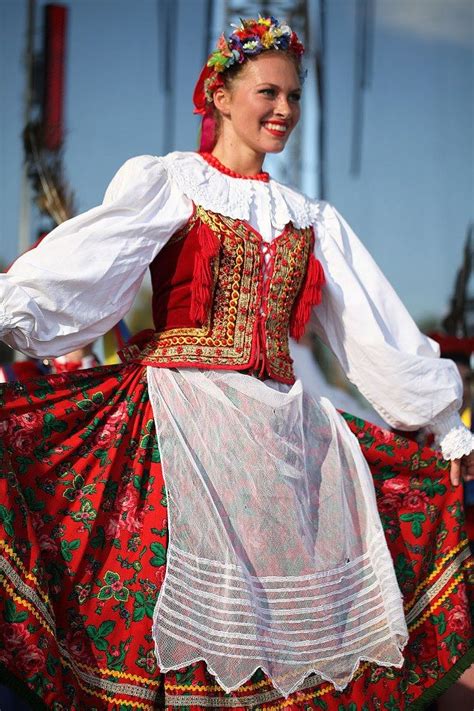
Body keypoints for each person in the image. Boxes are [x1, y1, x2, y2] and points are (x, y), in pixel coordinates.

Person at [0, 16, 472, 711]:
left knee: (285, 634)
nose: (283, 109)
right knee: (168, 614)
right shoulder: (174, 182)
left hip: (283, 434)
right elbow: (87, 265)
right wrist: (18, 307)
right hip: (179, 423)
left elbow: (372, 332)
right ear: (220, 95)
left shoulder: (310, 217)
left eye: (293, 96)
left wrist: (443, 423)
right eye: (267, 93)